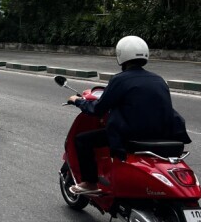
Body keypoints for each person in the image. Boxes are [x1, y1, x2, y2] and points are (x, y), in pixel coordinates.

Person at [67, 35, 192, 195]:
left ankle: (89, 183)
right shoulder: (159, 80)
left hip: (131, 134)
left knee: (82, 140)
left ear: (121, 56)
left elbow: (98, 109)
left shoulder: (120, 80)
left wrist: (78, 101)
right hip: (162, 133)